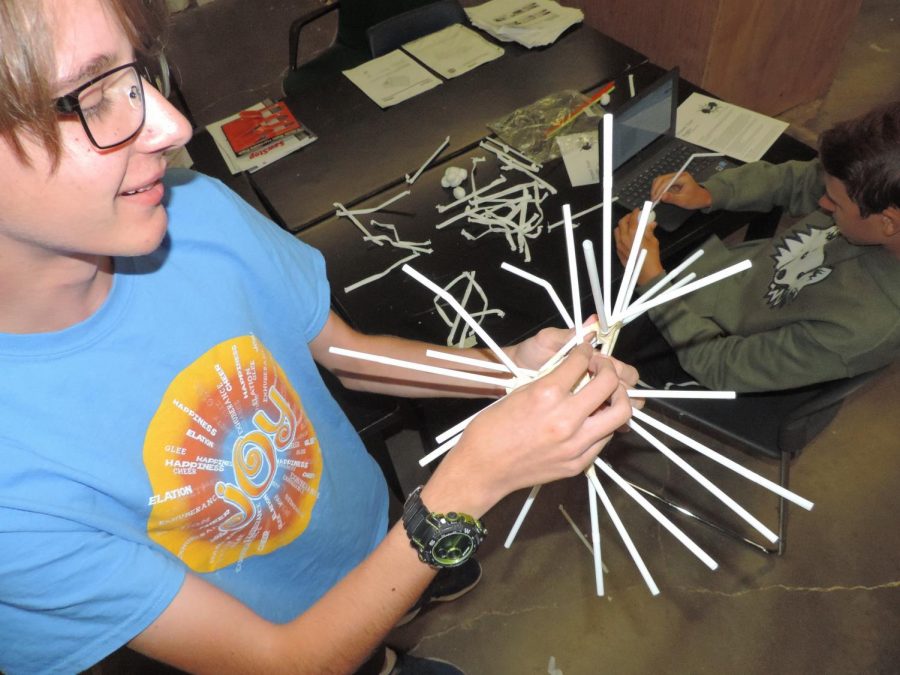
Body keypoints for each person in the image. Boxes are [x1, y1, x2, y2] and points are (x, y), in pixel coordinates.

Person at [0, 1, 638, 674]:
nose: (174, 124)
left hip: (368, 539)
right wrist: (467, 488)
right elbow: (286, 661)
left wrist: (509, 369)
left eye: (138, 75)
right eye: (94, 97)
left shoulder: (195, 213)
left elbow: (343, 352)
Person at [614, 102, 900, 392]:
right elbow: (800, 180)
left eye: (835, 203)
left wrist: (653, 285)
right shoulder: (868, 189)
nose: (823, 204)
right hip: (723, 283)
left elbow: (721, 366)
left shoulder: (868, 328)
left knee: (599, 348)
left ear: (888, 222)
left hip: (709, 354)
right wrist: (711, 192)